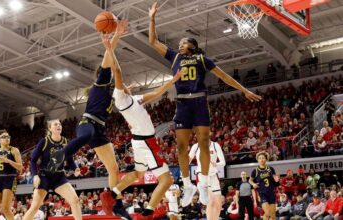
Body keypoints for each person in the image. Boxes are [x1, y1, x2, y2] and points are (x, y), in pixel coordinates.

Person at [148, 1, 262, 206]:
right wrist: (152, 18)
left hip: (200, 101)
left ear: (191, 45)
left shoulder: (202, 58)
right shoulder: (174, 57)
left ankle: (204, 184)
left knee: (204, 144)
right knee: (181, 148)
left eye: (183, 42)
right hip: (182, 103)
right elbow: (152, 41)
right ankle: (187, 184)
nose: (179, 44)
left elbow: (225, 76)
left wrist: (244, 90)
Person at [102, 33, 176, 220]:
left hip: (139, 142)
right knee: (167, 180)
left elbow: (157, 93)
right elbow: (117, 73)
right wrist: (110, 49)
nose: (125, 85)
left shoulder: (135, 99)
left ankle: (112, 193)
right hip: (147, 142)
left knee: (137, 174)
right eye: (122, 85)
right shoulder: (121, 99)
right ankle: (148, 211)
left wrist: (174, 81)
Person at [61, 20, 130, 218]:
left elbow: (118, 76)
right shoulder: (99, 83)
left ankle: (114, 202)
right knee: (85, 136)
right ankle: (61, 157)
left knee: (113, 168)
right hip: (87, 123)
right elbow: (109, 60)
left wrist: (127, 91)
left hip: (100, 129)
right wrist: (116, 36)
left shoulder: (113, 91)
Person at [23, 119, 81, 220]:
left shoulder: (65, 141)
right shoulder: (44, 141)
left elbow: (70, 160)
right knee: (35, 207)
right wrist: (35, 175)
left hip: (59, 177)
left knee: (75, 200)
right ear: (50, 128)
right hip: (44, 177)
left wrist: (75, 168)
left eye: (60, 124)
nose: (59, 126)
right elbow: (33, 160)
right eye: (55, 124)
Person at [189, 140, 226, 219]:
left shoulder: (215, 145)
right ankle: (202, 195)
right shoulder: (196, 146)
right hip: (202, 174)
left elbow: (223, 163)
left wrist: (216, 164)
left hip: (214, 175)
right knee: (210, 200)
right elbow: (187, 160)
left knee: (218, 204)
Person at [249, 151, 280, 220]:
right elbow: (250, 180)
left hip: (271, 193)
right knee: (268, 213)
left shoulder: (271, 169)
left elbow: (275, 180)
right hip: (262, 193)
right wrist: (253, 184)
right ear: (258, 160)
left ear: (266, 159)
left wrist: (277, 180)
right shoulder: (255, 171)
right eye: (260, 158)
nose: (261, 159)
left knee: (273, 216)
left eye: (263, 158)